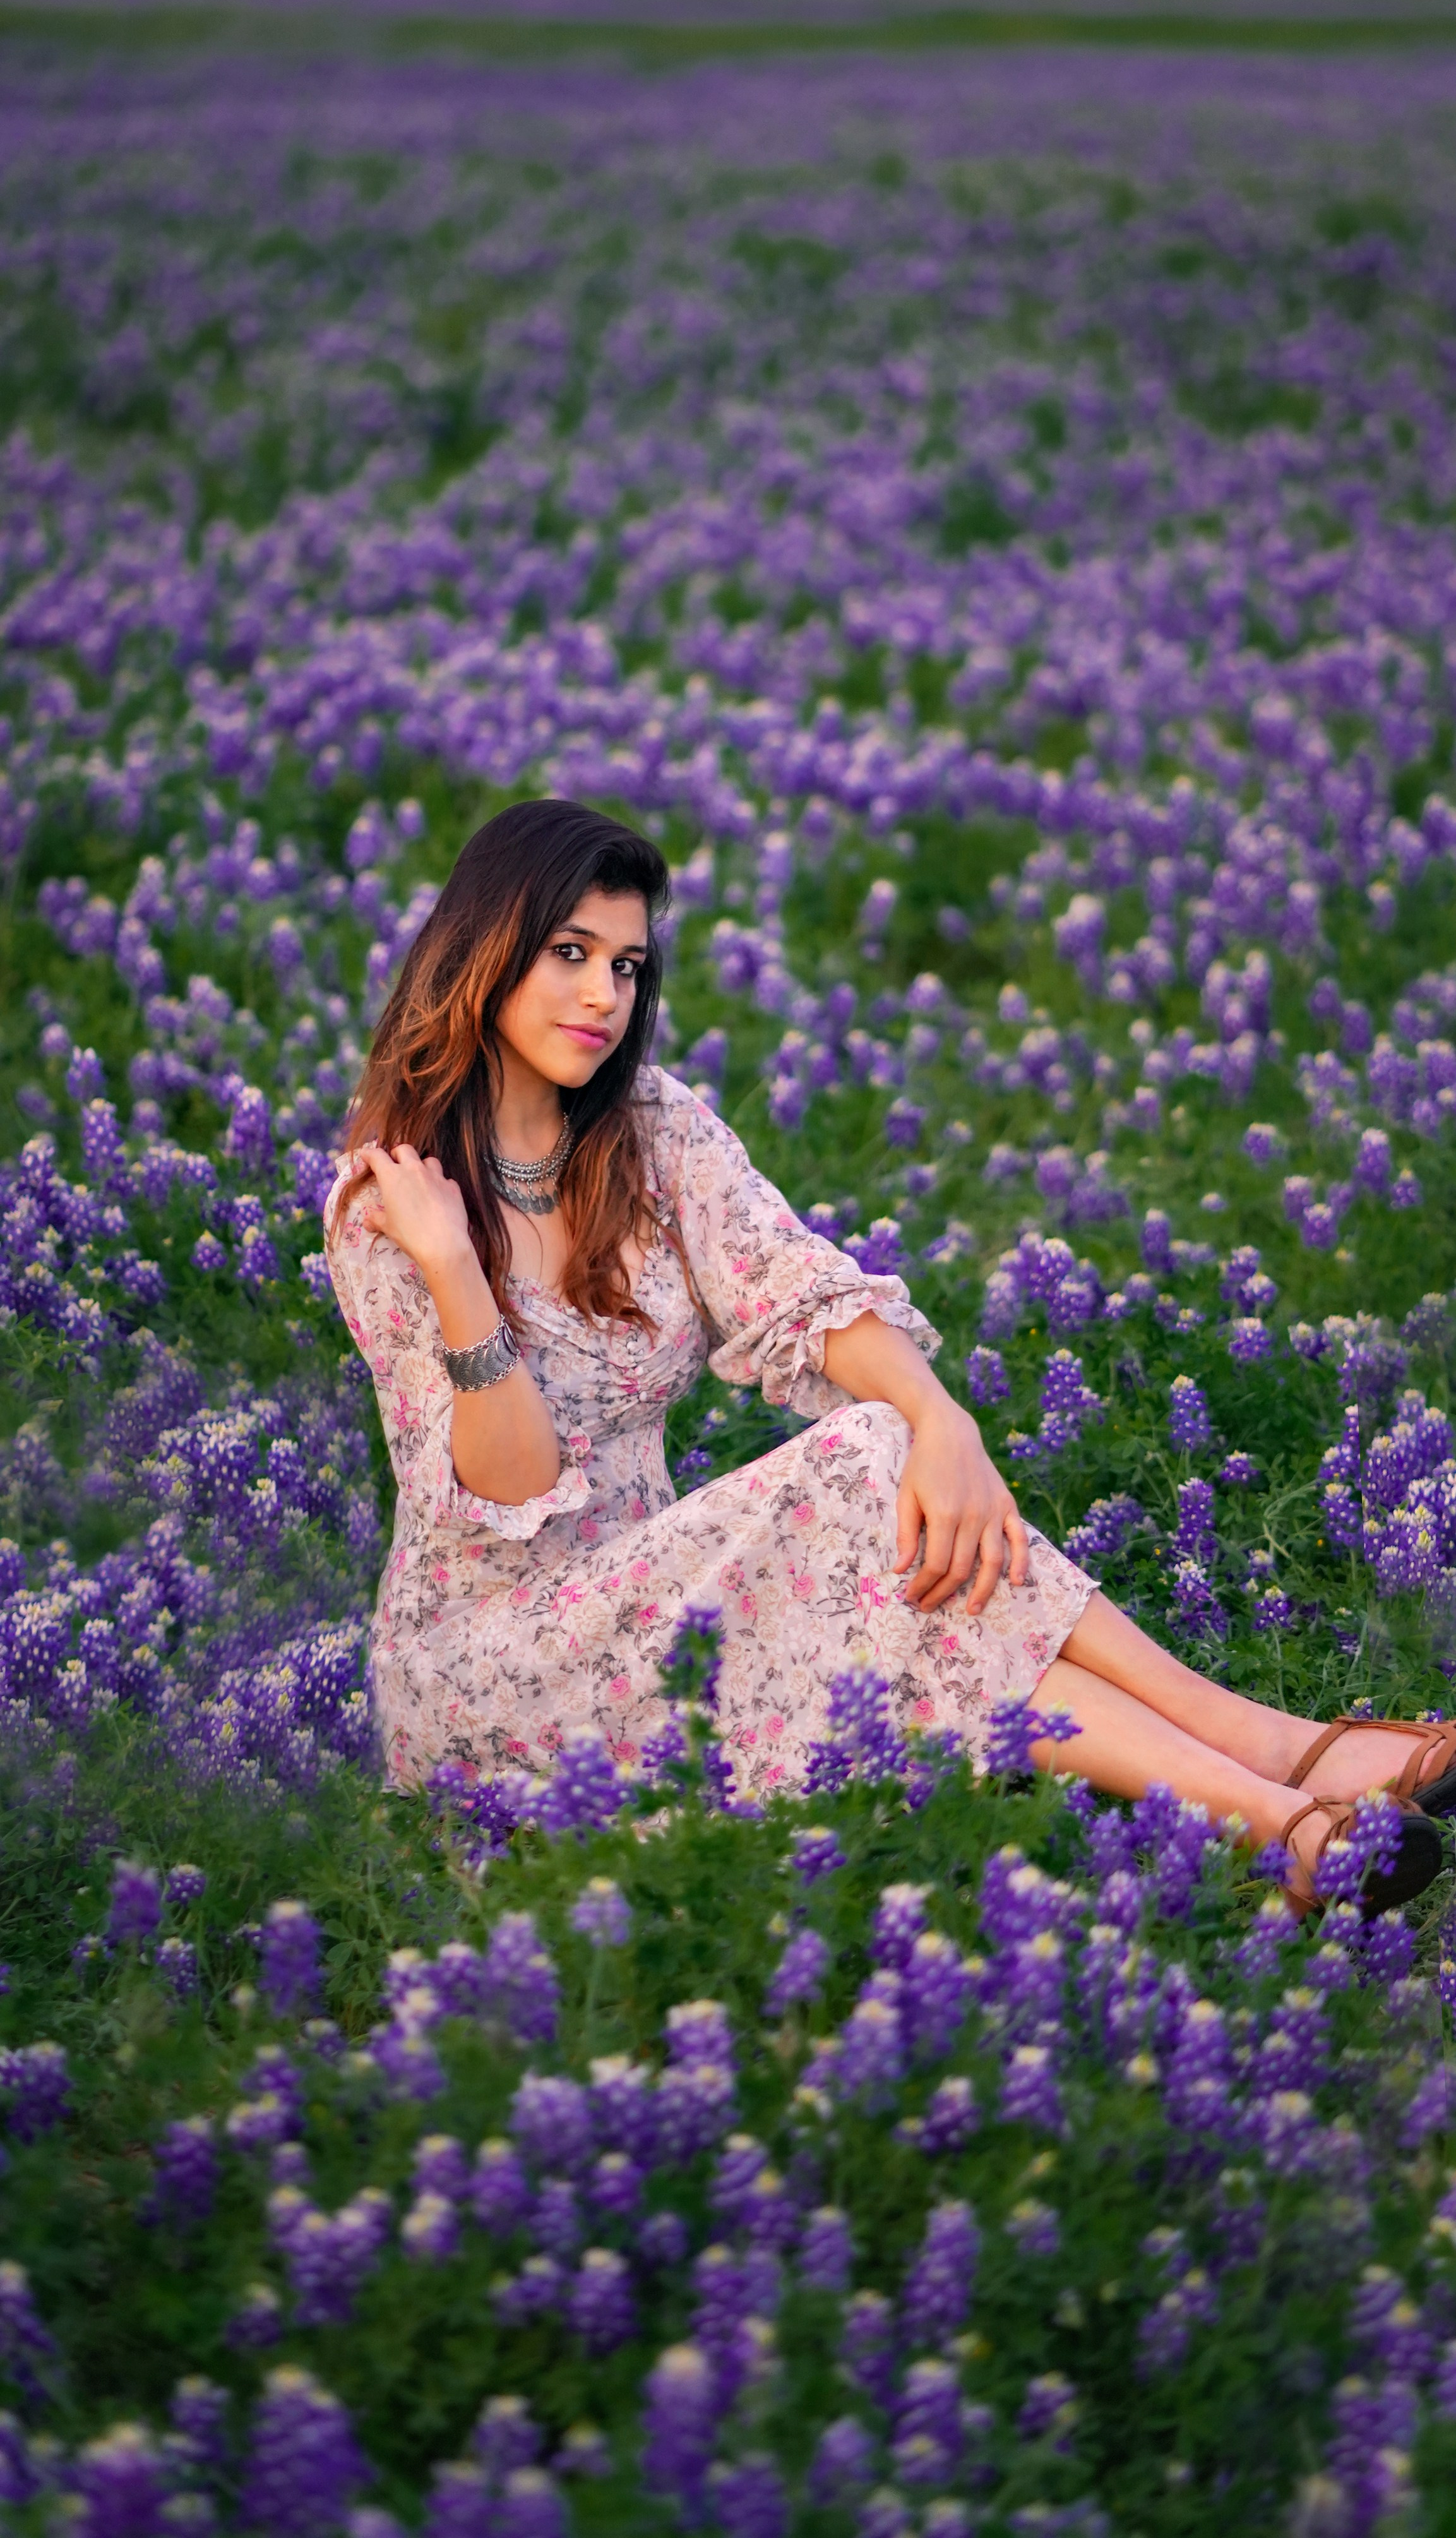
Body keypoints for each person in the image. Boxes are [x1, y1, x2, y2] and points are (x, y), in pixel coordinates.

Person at [326, 799, 1447, 1917]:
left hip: (670, 1596)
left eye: (625, 965)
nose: (602, 997)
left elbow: (798, 1287)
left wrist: (942, 1422)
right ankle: (1279, 1764)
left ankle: (1282, 1822)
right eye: (568, 954)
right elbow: (510, 1490)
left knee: (912, 1561)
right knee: (870, 1482)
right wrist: (457, 1276)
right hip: (495, 1674)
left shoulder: (648, 1129)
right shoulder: (392, 1206)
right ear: (486, 950)